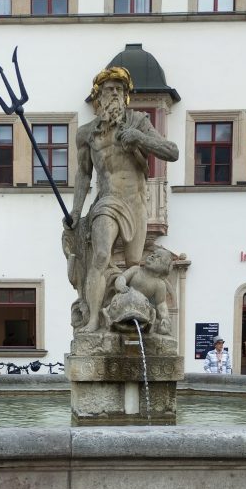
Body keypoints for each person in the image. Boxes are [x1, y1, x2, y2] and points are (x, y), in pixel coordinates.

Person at [65, 66, 179, 333]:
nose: (113, 93)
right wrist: (75, 210)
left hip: (136, 202)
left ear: (126, 95)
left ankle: (139, 322)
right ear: (99, 96)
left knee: (134, 266)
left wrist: (139, 138)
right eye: (108, 89)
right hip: (107, 200)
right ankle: (93, 319)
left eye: (119, 89)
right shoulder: (86, 133)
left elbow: (172, 152)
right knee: (101, 256)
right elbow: (83, 175)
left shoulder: (138, 122)